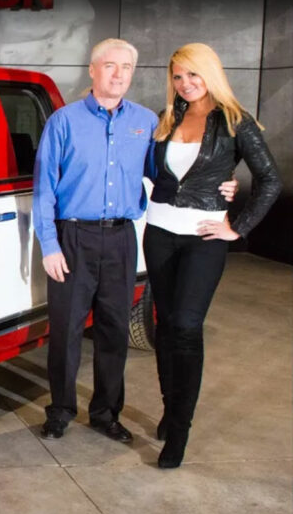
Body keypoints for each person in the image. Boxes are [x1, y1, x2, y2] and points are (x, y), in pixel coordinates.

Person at [32, 39, 237, 443]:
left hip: (123, 237)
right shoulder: (64, 121)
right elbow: (45, 190)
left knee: (113, 330)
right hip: (72, 237)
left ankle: (107, 413)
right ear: (93, 70)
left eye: (126, 66)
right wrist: (50, 245)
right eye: (110, 65)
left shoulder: (148, 123)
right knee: (67, 329)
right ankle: (60, 410)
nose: (119, 74)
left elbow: (169, 174)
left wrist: (219, 186)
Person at [144, 43, 281, 468]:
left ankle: (180, 431)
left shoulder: (235, 122)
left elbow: (271, 180)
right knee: (165, 325)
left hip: (204, 238)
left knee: (186, 326)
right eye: (178, 77)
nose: (185, 85)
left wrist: (237, 227)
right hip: (160, 231)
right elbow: (156, 174)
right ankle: (170, 408)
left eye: (193, 76)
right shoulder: (169, 118)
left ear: (211, 75)